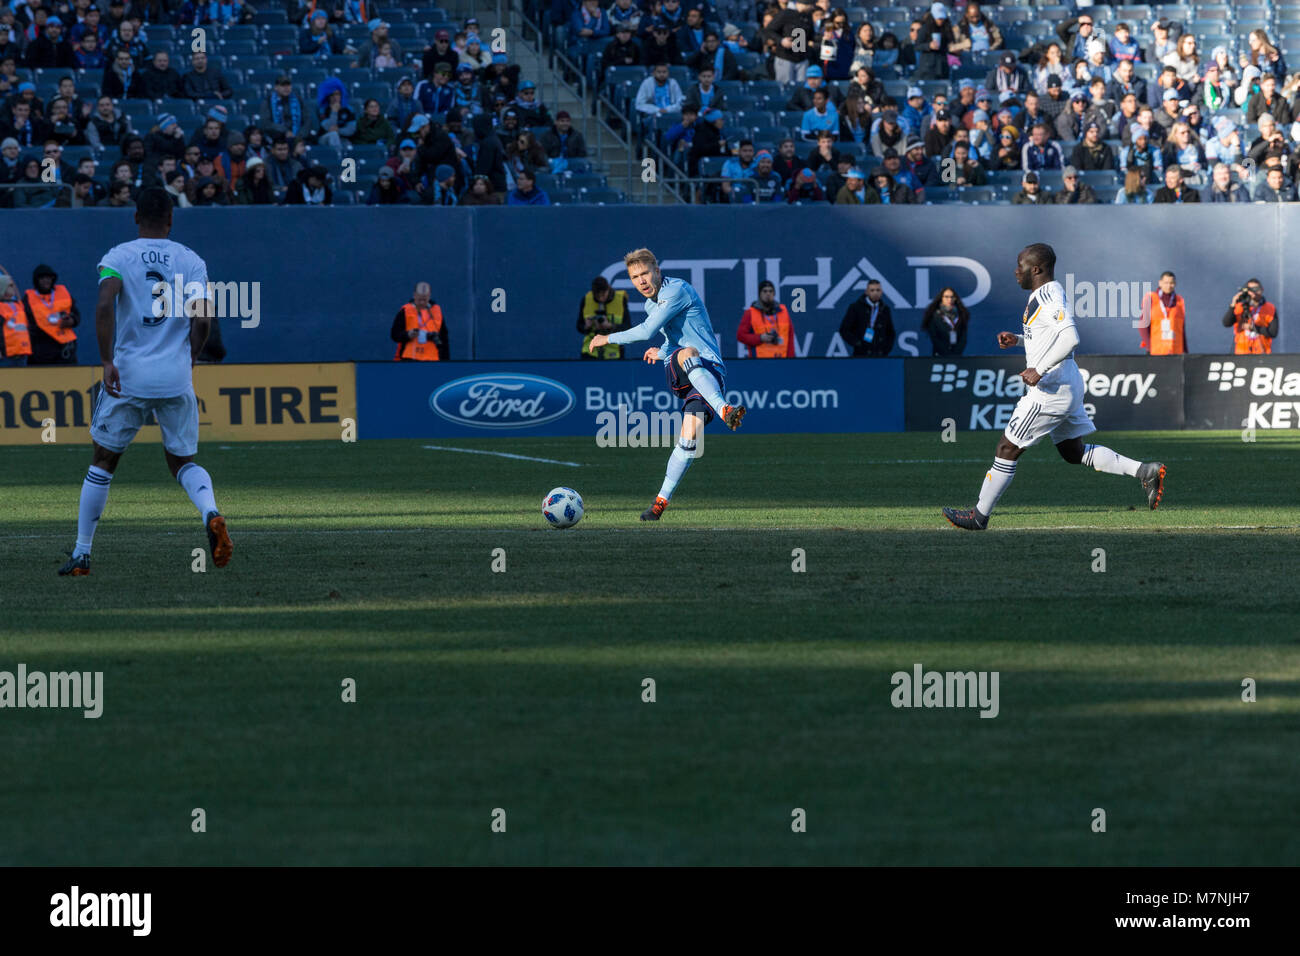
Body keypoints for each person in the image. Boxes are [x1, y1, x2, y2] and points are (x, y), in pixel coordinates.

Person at [59, 187, 231, 575]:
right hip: (175, 377)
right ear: (171, 219)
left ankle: (82, 554)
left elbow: (104, 305)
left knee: (103, 462)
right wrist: (190, 355)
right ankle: (211, 512)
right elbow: (203, 317)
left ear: (136, 217)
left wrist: (106, 360)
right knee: (183, 462)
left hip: (129, 376)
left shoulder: (118, 256)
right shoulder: (191, 260)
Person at [943, 243, 1167, 531]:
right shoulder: (1046, 293)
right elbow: (1049, 337)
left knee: (1007, 447)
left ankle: (978, 516)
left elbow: (1070, 337)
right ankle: (1144, 471)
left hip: (1051, 389)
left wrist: (1039, 369)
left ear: (1035, 269)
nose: (1015, 271)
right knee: (1072, 452)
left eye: (1020, 265)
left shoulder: (1048, 296)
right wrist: (1018, 339)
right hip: (1066, 382)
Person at [586, 248, 747, 521]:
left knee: (688, 439)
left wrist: (608, 337)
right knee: (686, 353)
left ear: (657, 271)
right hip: (682, 372)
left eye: (645, 273)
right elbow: (672, 342)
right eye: (635, 277)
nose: (641, 281)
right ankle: (724, 410)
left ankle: (660, 502)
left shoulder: (677, 291)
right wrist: (662, 352)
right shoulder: (653, 305)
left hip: (710, 373)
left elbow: (650, 332)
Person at [23, 263, 80, 365]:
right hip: (41, 350)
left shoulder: (63, 293)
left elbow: (76, 314)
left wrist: (71, 320)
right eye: (42, 278)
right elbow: (26, 323)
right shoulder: (29, 298)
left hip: (65, 350)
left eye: (49, 277)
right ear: (36, 280)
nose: (46, 280)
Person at [390, 282, 447, 361]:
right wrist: (408, 335)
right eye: (419, 299)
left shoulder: (436, 312)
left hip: (433, 359)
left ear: (429, 296)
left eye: (425, 299)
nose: (422, 302)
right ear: (414, 295)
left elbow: (444, 339)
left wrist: (445, 362)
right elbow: (394, 335)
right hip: (409, 358)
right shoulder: (406, 311)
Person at [737, 280, 793, 358]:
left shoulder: (783, 311)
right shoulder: (750, 313)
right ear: (759, 294)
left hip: (782, 361)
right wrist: (760, 338)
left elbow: (790, 339)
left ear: (774, 294)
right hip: (759, 363)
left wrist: (791, 360)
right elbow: (740, 336)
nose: (768, 294)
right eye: (765, 291)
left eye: (770, 291)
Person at [839, 279, 894, 357]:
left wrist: (886, 349)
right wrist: (858, 343)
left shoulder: (885, 309)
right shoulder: (856, 307)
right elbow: (844, 329)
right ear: (867, 292)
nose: (875, 293)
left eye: (878, 290)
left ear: (881, 292)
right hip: (861, 355)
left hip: (880, 355)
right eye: (872, 290)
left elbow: (890, 332)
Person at [1136, 271, 1187, 355]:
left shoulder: (1179, 301)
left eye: (1171, 283)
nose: (1169, 286)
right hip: (1156, 351)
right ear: (1160, 283)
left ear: (1175, 284)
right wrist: (1150, 348)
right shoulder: (1151, 298)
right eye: (1166, 283)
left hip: (1175, 352)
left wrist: (1185, 350)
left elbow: (1182, 329)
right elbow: (1143, 326)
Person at [577, 275, 629, 358]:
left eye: (603, 294)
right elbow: (579, 326)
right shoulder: (586, 299)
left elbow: (627, 327)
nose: (601, 298)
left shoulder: (620, 299)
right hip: (590, 351)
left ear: (608, 288)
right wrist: (587, 326)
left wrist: (610, 326)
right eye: (598, 296)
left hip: (615, 351)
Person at [1222, 279, 1277, 355]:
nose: (1254, 292)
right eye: (1251, 289)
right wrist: (1233, 304)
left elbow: (1273, 332)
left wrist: (1253, 328)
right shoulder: (1240, 307)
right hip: (1241, 353)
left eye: (1256, 289)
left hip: (1261, 353)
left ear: (1262, 290)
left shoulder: (1270, 308)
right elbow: (1226, 323)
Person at [921, 287, 970, 355]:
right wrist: (947, 353)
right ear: (941, 298)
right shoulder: (934, 316)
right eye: (946, 297)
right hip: (939, 356)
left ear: (955, 298)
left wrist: (956, 353)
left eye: (952, 297)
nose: (949, 299)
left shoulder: (961, 315)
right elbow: (935, 338)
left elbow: (963, 338)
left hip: (957, 356)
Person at [0, 265, 32, 366]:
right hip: (6, 355)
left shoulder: (19, 305)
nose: (13, 287)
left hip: (21, 352)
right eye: (10, 285)